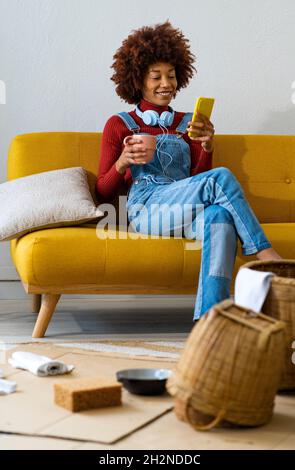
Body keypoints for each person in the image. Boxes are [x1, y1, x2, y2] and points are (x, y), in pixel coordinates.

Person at [96, 21, 281, 321]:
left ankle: (211, 320)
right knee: (220, 177)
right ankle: (265, 255)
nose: (165, 84)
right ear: (138, 80)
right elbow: (103, 190)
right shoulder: (119, 124)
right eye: (156, 76)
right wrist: (124, 161)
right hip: (147, 209)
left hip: (186, 206)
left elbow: (198, 180)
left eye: (171, 76)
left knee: (219, 217)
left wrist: (206, 147)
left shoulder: (188, 123)